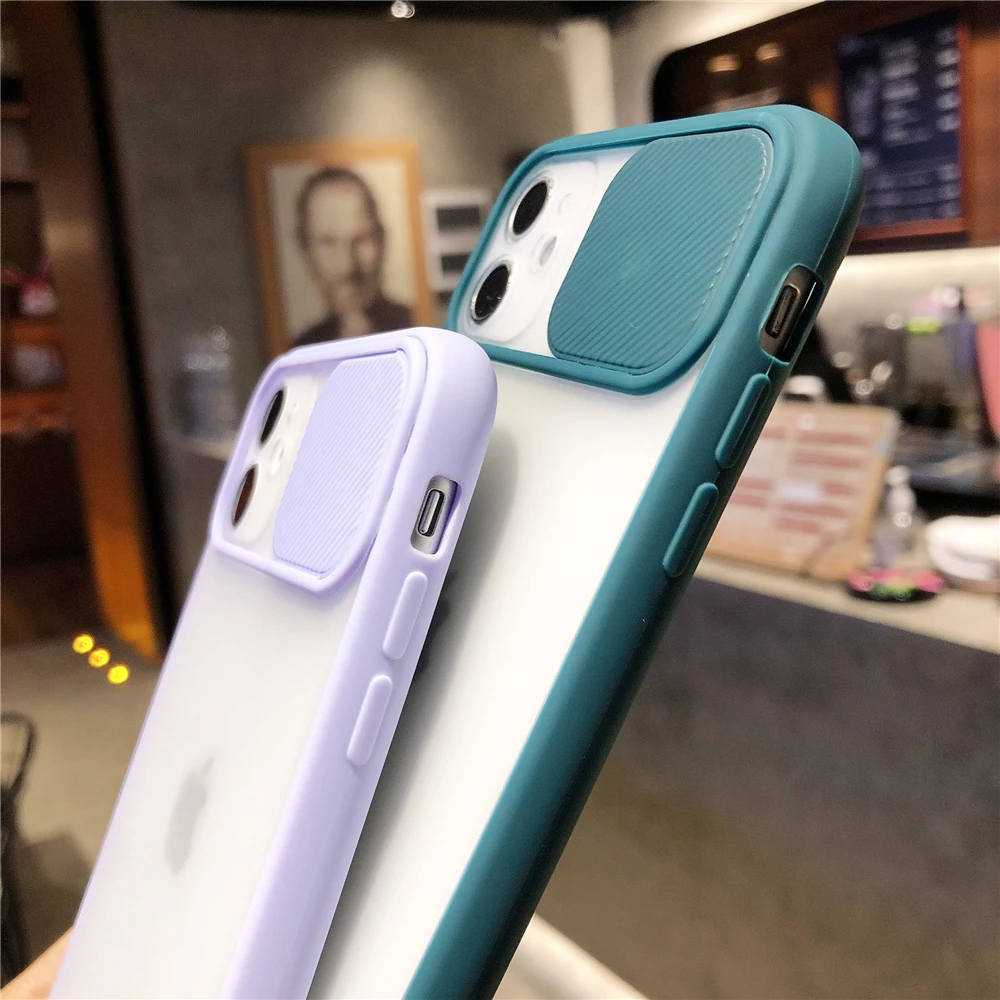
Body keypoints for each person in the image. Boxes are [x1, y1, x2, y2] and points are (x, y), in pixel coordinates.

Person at [293, 167, 412, 346]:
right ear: (305, 248)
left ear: (382, 240)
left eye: (361, 240)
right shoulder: (302, 348)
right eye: (328, 243)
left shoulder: (415, 328)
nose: (347, 266)